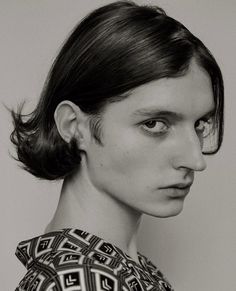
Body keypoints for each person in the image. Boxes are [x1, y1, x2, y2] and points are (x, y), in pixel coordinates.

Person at [10, 1, 224, 290]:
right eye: (154, 124)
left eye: (199, 124)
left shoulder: (125, 269)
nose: (196, 159)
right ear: (75, 126)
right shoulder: (76, 281)